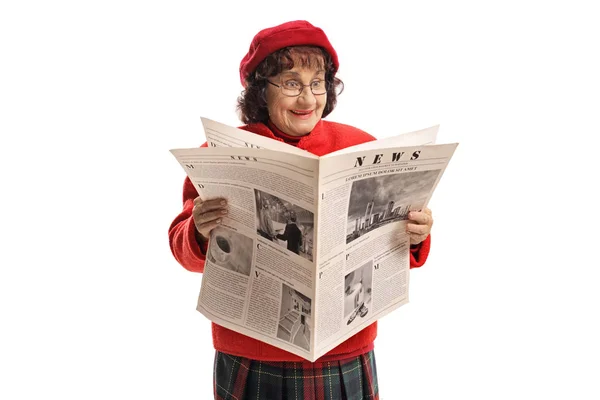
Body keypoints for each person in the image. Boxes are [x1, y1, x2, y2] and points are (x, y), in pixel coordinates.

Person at [168, 20, 434, 400]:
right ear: (261, 90)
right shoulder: (222, 153)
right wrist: (198, 231)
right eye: (291, 83)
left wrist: (416, 234)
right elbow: (184, 252)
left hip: (344, 351)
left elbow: (392, 255)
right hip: (252, 355)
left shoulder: (362, 148)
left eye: (317, 82)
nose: (307, 99)